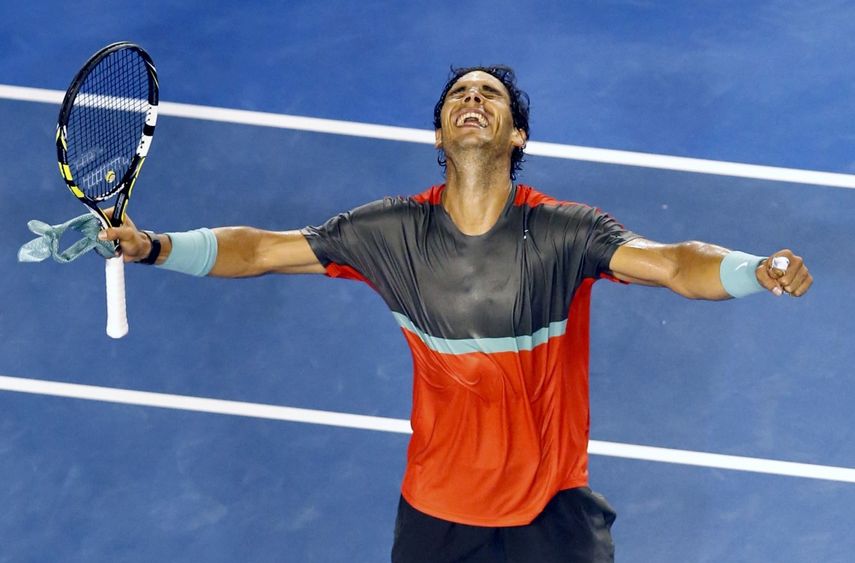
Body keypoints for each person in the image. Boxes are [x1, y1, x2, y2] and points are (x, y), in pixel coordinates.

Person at [101, 65, 813, 562]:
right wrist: (157, 246)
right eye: (458, 95)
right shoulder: (389, 233)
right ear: (440, 136)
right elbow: (258, 250)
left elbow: (673, 263)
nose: (472, 98)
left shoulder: (565, 234)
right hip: (438, 512)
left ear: (516, 137)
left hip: (551, 511)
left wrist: (755, 269)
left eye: (490, 94)